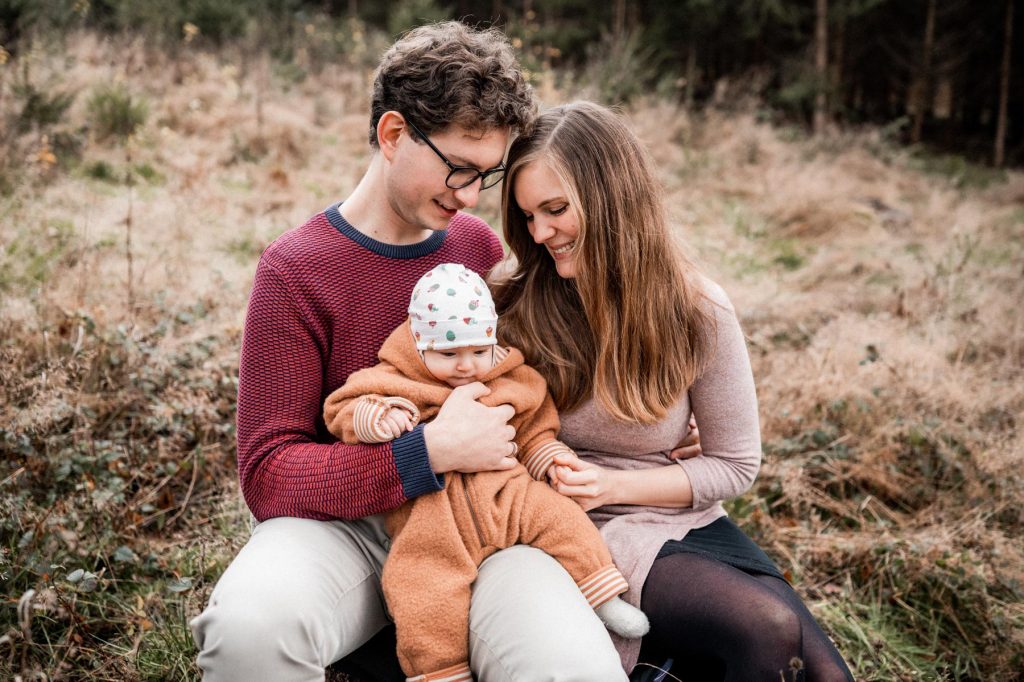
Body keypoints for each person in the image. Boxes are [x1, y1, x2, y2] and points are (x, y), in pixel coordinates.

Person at [189, 24, 633, 682]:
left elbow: (541, 361)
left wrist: (660, 429)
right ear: (393, 135)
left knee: (571, 666)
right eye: (458, 167)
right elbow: (268, 474)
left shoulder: (476, 248)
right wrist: (423, 455)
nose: (470, 196)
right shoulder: (295, 271)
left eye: (487, 174)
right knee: (249, 630)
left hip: (486, 517)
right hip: (345, 529)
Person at [494, 101, 856, 682]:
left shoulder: (696, 308)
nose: (540, 234)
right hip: (577, 527)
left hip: (677, 515)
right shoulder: (512, 305)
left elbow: (735, 463)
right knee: (763, 627)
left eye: (556, 210)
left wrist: (618, 481)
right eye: (529, 216)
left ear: (611, 196)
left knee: (826, 675)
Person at [322, 262, 650, 681]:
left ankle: (601, 594)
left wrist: (550, 458)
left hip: (508, 494)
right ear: (419, 346)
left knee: (563, 520)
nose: (466, 366)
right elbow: (344, 408)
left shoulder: (513, 379)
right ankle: (441, 671)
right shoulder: (396, 382)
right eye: (449, 354)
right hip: (432, 518)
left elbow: (534, 429)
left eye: (479, 351)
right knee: (422, 592)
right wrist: (377, 418)